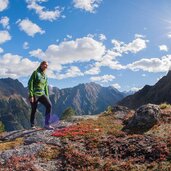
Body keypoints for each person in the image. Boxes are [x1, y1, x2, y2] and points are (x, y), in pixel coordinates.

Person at [28, 61, 54, 130]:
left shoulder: (45, 76)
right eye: (45, 65)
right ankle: (32, 125)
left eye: (47, 65)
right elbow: (30, 83)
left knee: (49, 105)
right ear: (41, 65)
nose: (46, 66)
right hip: (34, 94)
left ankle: (47, 124)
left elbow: (45, 87)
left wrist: (47, 96)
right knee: (34, 109)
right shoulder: (36, 73)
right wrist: (31, 95)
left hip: (42, 94)